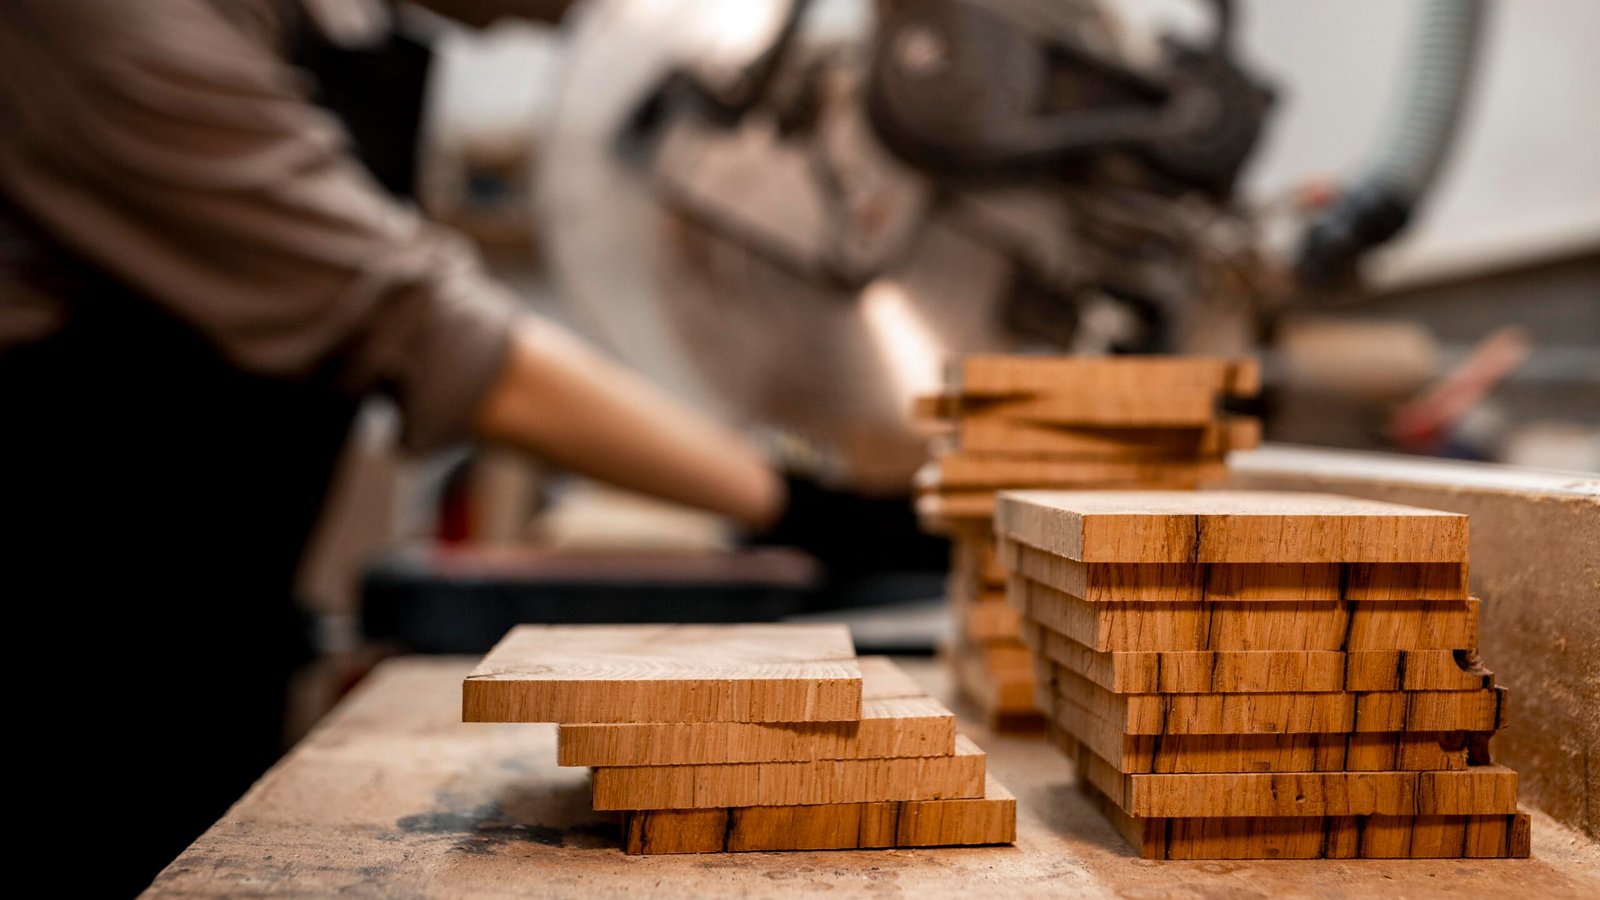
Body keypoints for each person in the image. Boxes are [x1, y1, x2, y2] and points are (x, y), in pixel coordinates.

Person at [0, 1, 787, 892]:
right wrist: (788, 497)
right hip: (62, 645)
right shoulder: (105, 18)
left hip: (211, 629)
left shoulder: (334, 30)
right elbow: (414, 324)